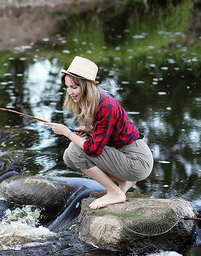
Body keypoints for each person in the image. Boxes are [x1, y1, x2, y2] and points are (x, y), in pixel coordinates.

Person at [46, 56, 153, 210]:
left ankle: (115, 192)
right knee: (69, 157)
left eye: (74, 87)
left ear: (86, 86)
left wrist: (67, 133)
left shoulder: (106, 105)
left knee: (76, 150)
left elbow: (94, 149)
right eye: (67, 87)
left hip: (136, 161)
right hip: (123, 154)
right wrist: (90, 130)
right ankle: (125, 182)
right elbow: (110, 132)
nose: (70, 92)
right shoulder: (95, 98)